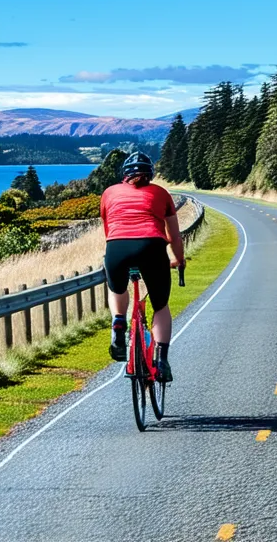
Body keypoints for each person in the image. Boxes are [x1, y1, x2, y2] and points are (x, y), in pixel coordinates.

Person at [100, 152, 183, 382]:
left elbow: (109, 231)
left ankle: (118, 322)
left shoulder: (109, 193)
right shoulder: (161, 193)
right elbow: (174, 237)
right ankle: (162, 361)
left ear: (124, 175)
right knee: (160, 305)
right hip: (152, 247)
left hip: (116, 248)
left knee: (117, 289)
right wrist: (179, 260)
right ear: (150, 174)